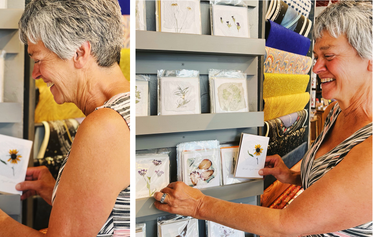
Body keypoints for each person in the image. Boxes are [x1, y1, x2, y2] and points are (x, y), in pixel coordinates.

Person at [154, 2, 372, 236]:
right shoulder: (335, 113)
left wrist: (198, 204)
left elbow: (286, 225)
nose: (316, 67)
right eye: (316, 56)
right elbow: (336, 181)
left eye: (328, 55)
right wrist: (290, 176)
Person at [0, 0, 130, 236]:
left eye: (38, 60)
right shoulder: (128, 106)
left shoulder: (104, 127)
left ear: (80, 52)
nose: (35, 74)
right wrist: (58, 192)